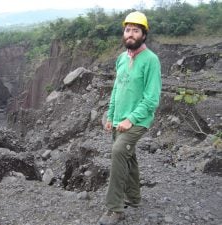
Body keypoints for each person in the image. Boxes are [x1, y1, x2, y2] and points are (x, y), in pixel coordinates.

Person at [98, 11, 162, 225]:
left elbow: (152, 99)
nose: (131, 34)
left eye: (136, 30)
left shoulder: (151, 60)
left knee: (118, 151)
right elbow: (117, 89)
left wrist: (131, 119)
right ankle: (134, 197)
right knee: (127, 154)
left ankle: (115, 208)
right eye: (128, 30)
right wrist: (111, 115)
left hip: (138, 120)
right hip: (118, 118)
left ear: (144, 34)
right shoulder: (121, 59)